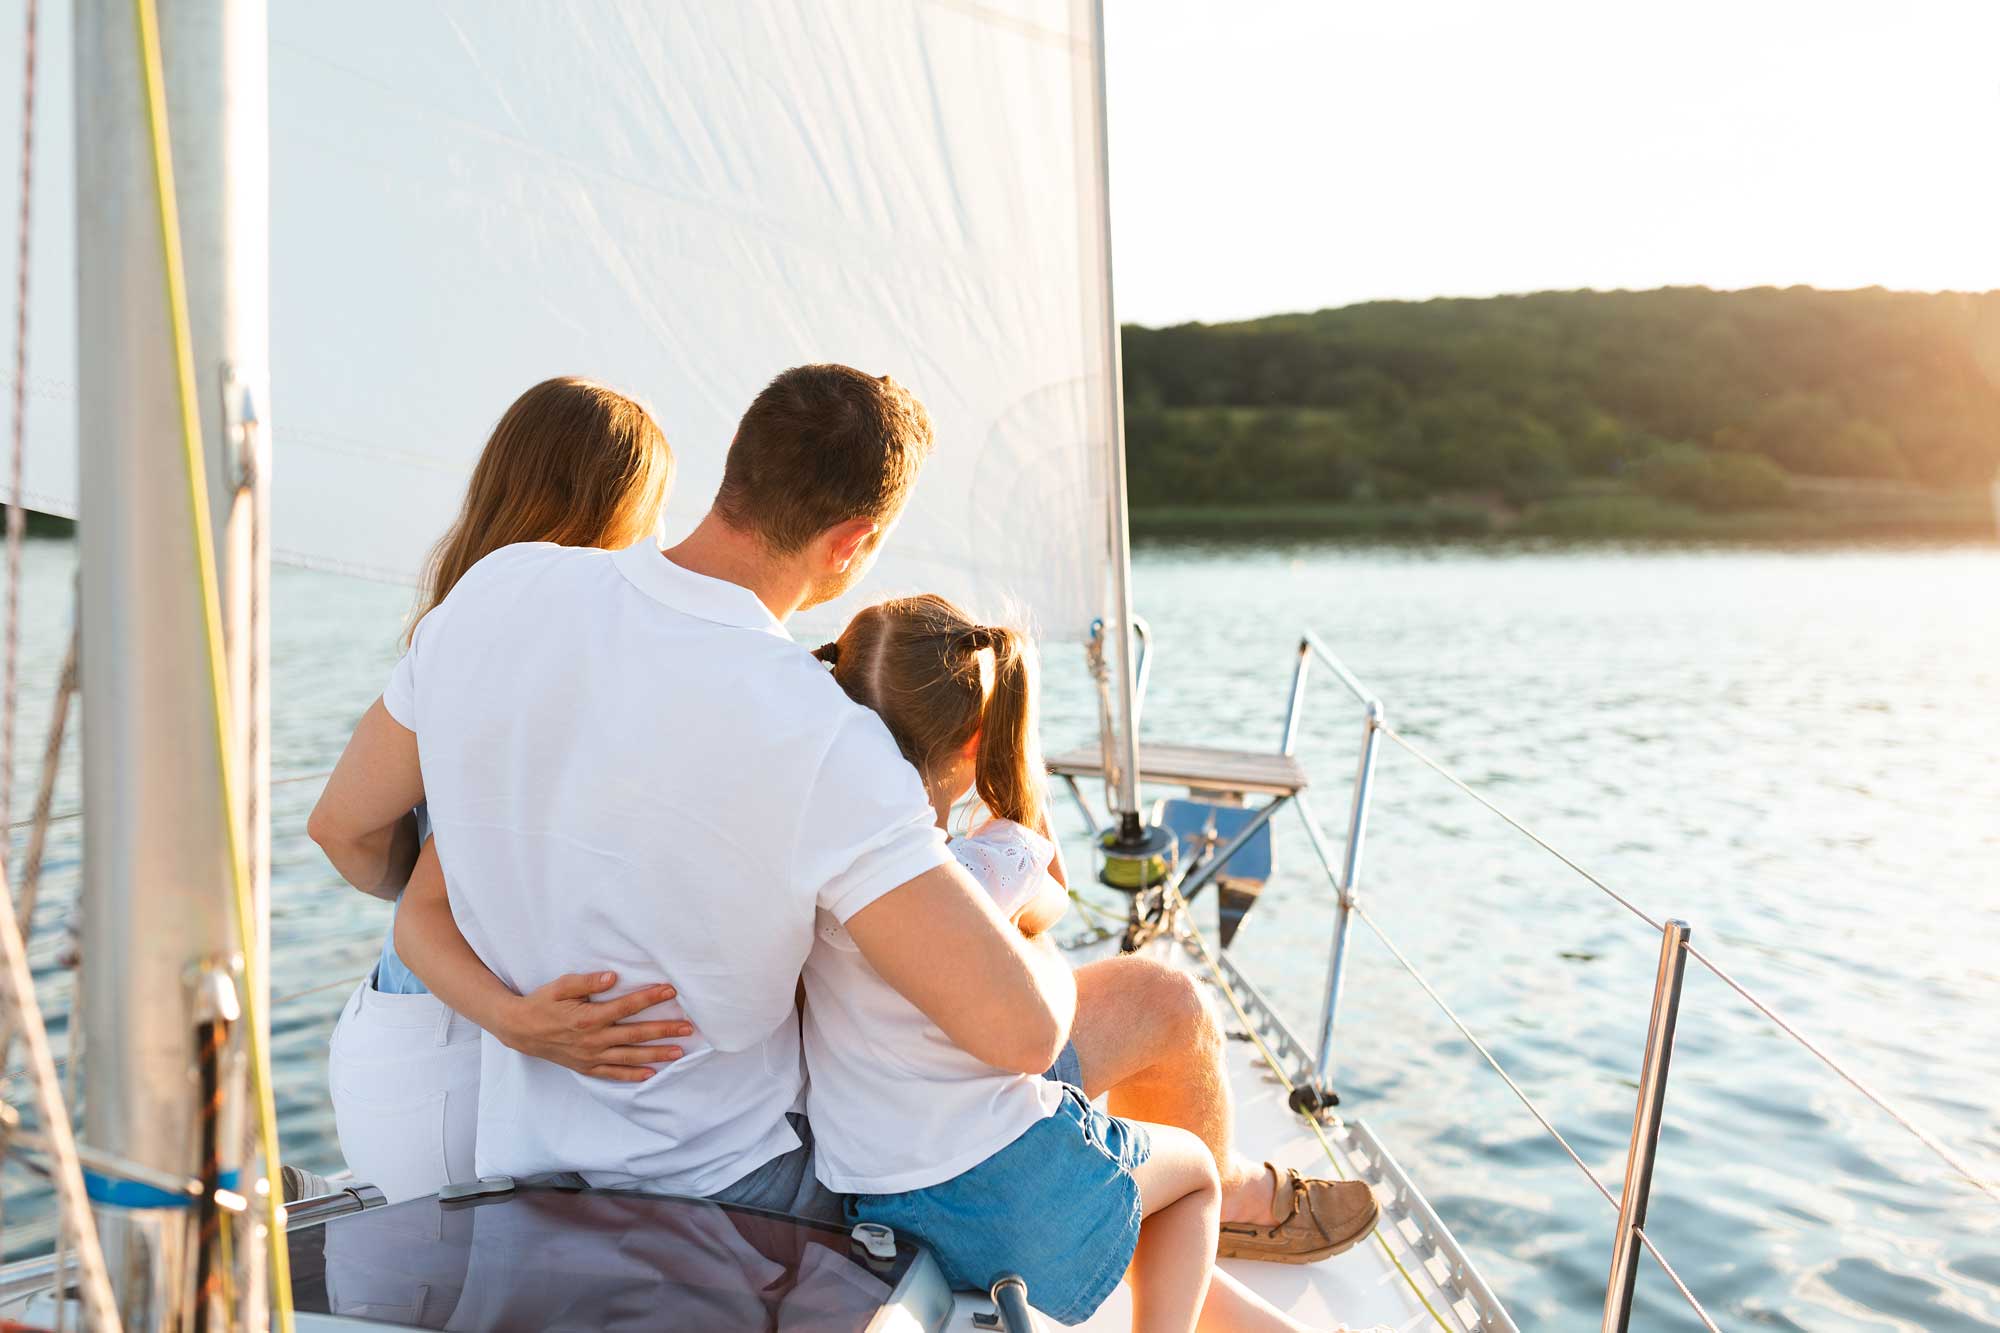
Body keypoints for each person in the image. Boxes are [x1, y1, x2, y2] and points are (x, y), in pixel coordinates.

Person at [314, 364, 1077, 1219]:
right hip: (732, 1187)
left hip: (522, 1157)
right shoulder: (823, 731)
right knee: (1139, 1015)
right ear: (853, 542)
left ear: (735, 472)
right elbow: (1021, 1033)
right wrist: (1038, 935)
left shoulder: (499, 589)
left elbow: (342, 826)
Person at [805, 594, 1380, 1332]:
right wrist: (1013, 760)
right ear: (975, 741)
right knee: (1196, 1175)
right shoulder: (982, 867)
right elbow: (1050, 895)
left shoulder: (817, 864)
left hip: (880, 1205)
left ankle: (1199, 1285)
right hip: (1012, 1201)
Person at [313, 376, 687, 1202]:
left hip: (397, 1031)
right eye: (652, 507)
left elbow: (343, 829)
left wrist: (428, 887)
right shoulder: (573, 643)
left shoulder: (454, 628)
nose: (660, 537)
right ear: (607, 509)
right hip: (475, 1058)